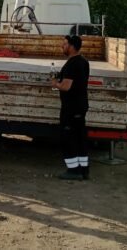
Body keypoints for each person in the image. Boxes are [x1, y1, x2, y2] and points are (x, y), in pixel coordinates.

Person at [51, 34, 90, 180]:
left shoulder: (72, 64)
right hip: (81, 106)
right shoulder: (84, 62)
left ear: (72, 46)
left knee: (68, 138)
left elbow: (66, 86)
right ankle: (83, 170)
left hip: (71, 108)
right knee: (80, 138)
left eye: (65, 44)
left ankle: (73, 170)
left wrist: (55, 83)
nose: (63, 46)